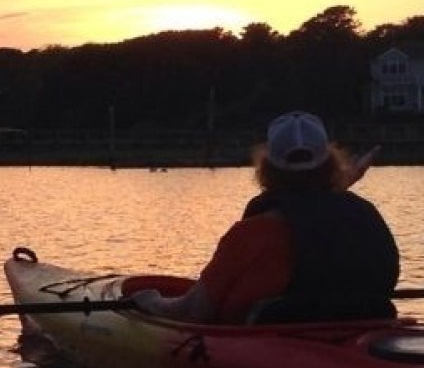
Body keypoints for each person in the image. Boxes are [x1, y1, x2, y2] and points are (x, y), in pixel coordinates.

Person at [128, 111, 400, 324]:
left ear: (266, 167)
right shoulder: (366, 216)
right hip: (363, 332)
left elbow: (191, 313)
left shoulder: (251, 234)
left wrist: (151, 301)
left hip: (275, 345)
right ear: (331, 163)